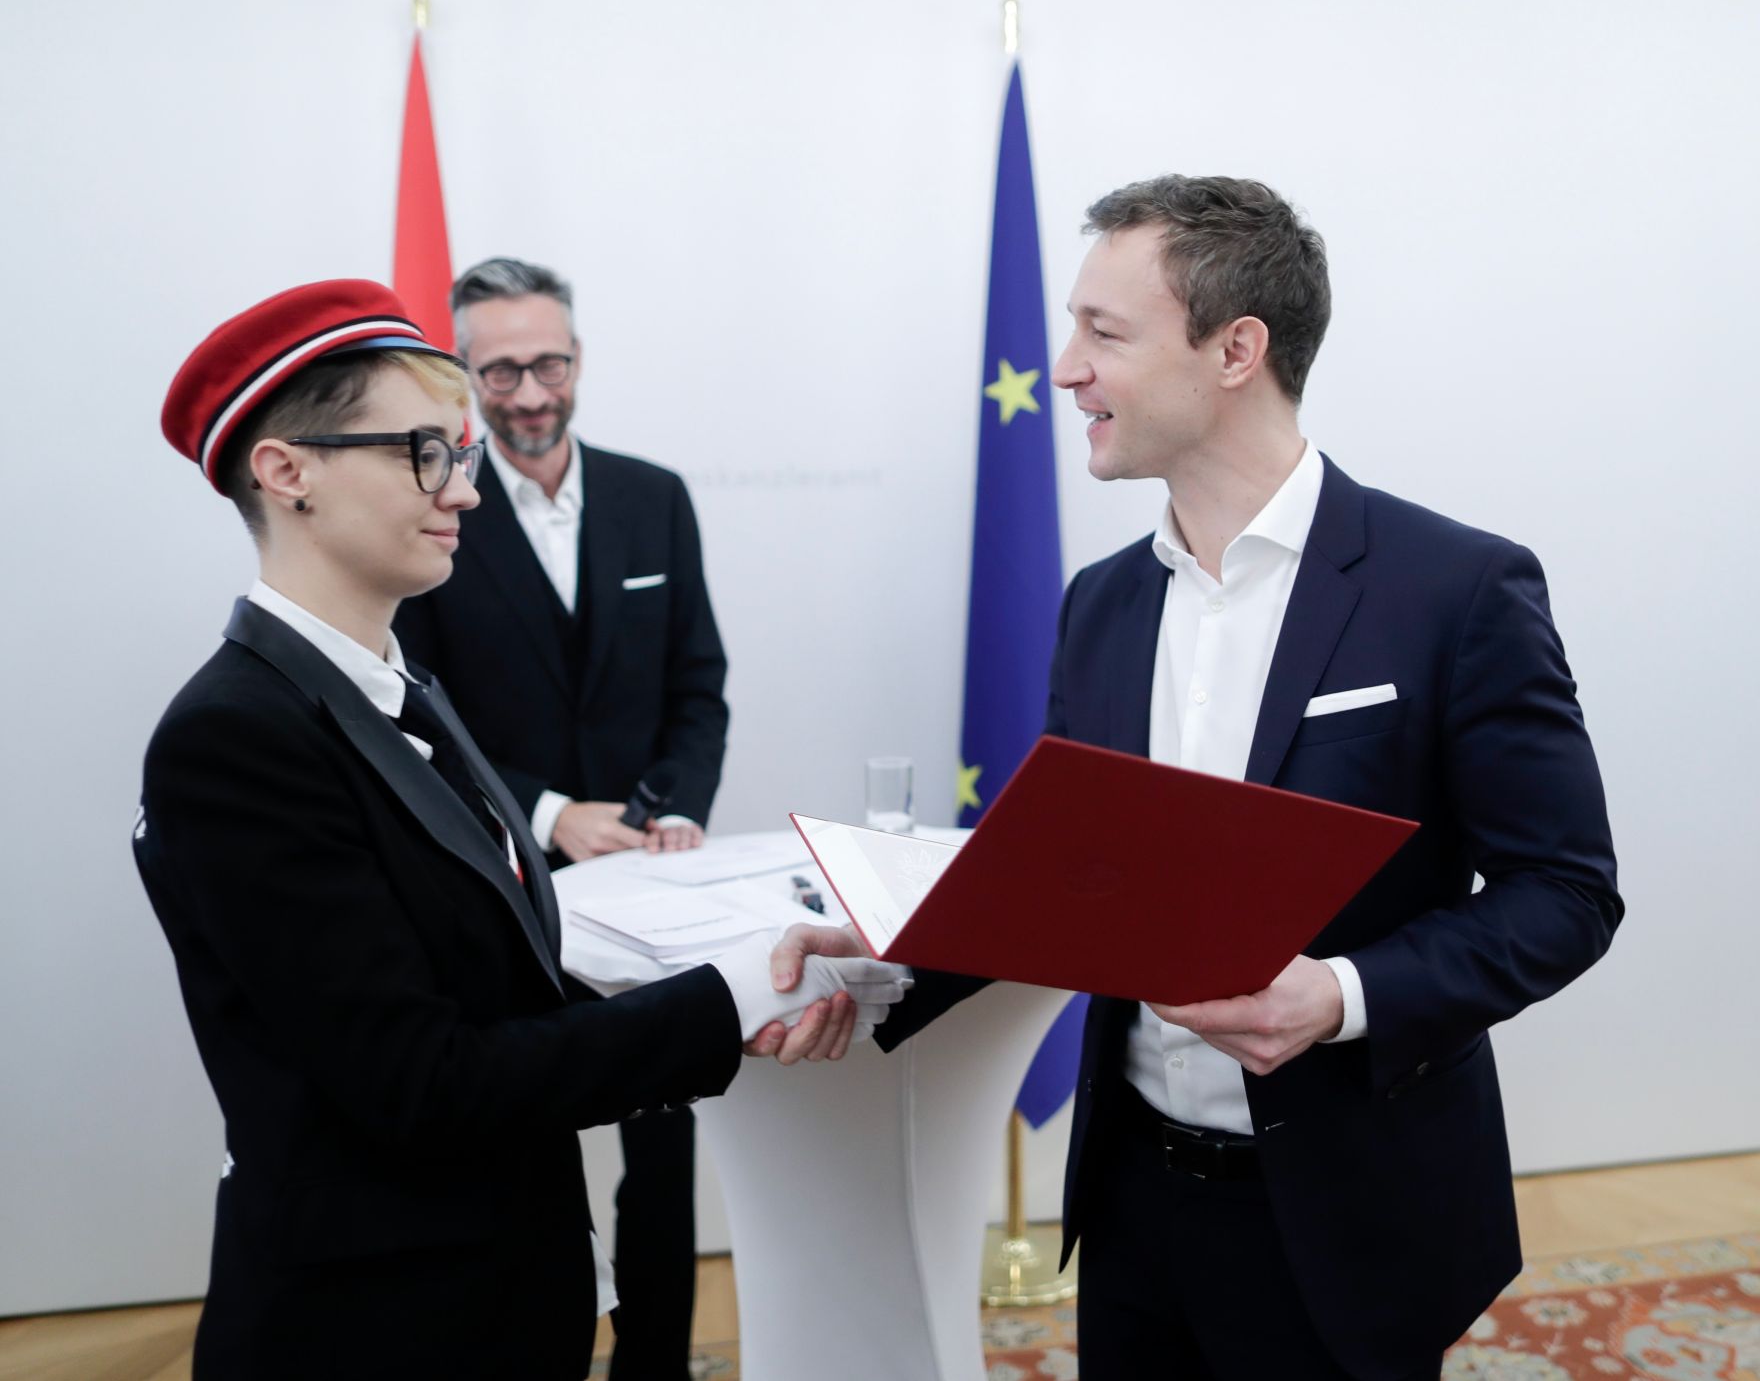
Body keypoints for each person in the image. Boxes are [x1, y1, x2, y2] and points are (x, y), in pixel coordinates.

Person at [776, 176, 1622, 1380]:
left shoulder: (1454, 591)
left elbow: (1563, 892)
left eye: (1102, 333)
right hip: (1132, 1203)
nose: (1066, 368)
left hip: (1347, 1217)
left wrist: (1337, 995)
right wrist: (876, 964)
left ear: (1235, 349)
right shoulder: (1102, 604)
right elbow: (1063, 886)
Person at [136, 279, 905, 1381]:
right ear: (286, 469)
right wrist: (732, 993)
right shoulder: (236, 738)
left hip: (491, 1296)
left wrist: (743, 975)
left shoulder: (395, 690)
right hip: (377, 1324)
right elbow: (423, 1082)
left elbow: (488, 987)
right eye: (423, 452)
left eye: (457, 453)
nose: (467, 489)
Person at [393, 256, 727, 1378]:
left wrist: (668, 814)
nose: (528, 393)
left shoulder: (654, 497)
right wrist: (549, 817)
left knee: (666, 1146)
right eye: (499, 371)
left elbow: (698, 688)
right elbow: (423, 720)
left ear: (577, 362)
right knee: (522, 1145)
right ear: (464, 378)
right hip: (503, 892)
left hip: (655, 895)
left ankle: (657, 1366)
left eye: (547, 364)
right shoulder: (431, 516)